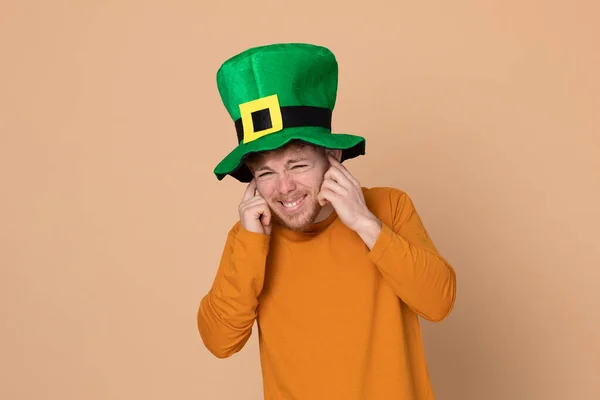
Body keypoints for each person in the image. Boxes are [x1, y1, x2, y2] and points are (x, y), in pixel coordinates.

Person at [197, 43, 457, 399]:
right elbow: (219, 341)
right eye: (266, 173)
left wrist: (366, 224)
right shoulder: (249, 237)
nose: (284, 188)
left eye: (298, 165)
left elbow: (438, 302)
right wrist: (250, 243)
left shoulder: (388, 207)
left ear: (332, 155)